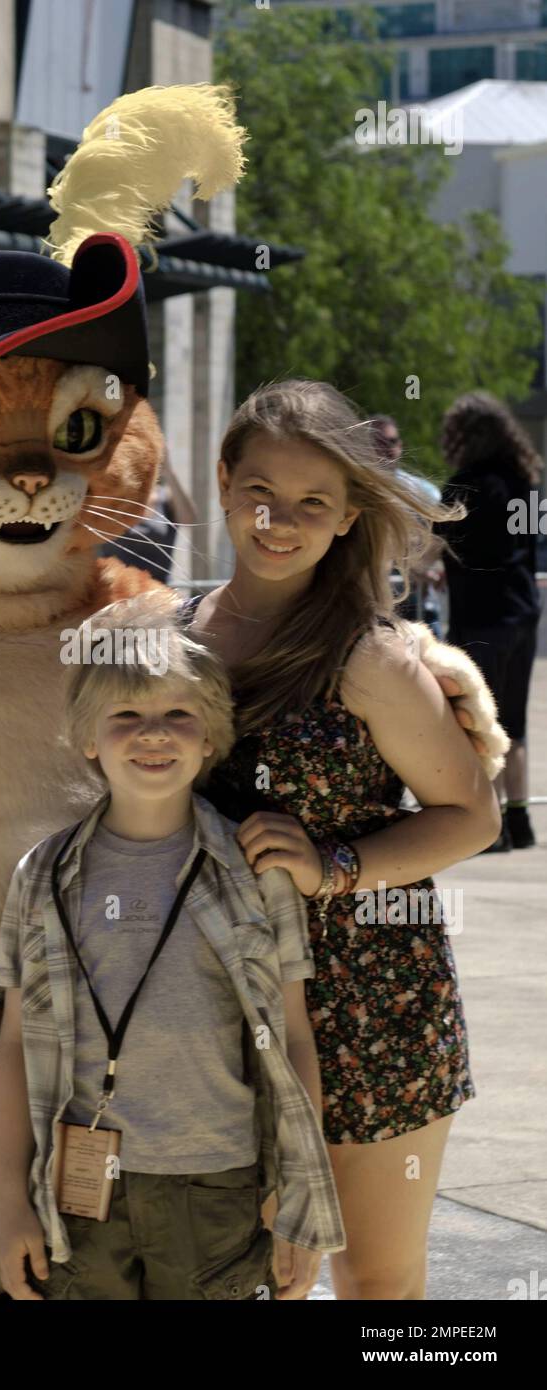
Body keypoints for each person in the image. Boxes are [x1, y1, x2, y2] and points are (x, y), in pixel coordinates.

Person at [179, 378, 500, 1301]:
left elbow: (471, 814)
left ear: (349, 513)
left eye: (313, 502)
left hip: (370, 1006)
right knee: (240, 1276)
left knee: (376, 1285)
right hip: (206, 1007)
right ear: (225, 483)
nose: (280, 520)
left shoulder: (369, 656)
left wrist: (337, 867)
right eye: (261, 493)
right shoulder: (174, 635)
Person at [0, 592, 345, 1301]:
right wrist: (8, 1202)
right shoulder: (41, 878)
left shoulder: (255, 873)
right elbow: (13, 1046)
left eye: (178, 716)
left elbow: (295, 1037)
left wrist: (299, 1203)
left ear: (211, 737)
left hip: (219, 1186)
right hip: (79, 1193)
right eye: (126, 717)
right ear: (88, 739)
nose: (154, 734)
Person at [436, 391, 543, 852]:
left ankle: (493, 827)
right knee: (514, 721)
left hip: (481, 616)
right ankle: (520, 821)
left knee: (482, 723)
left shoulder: (464, 486)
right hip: (522, 613)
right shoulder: (525, 483)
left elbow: (436, 541)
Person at [369, 413, 443, 633]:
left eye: (392, 441)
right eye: (379, 442)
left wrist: (431, 568)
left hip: (420, 604)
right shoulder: (355, 490)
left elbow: (440, 542)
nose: (387, 448)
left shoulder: (423, 492)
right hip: (372, 606)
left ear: (400, 445)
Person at [98, 451, 197, 581]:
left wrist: (169, 471)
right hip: (115, 589)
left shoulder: (166, 499)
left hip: (158, 590)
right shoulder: (114, 497)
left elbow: (189, 520)